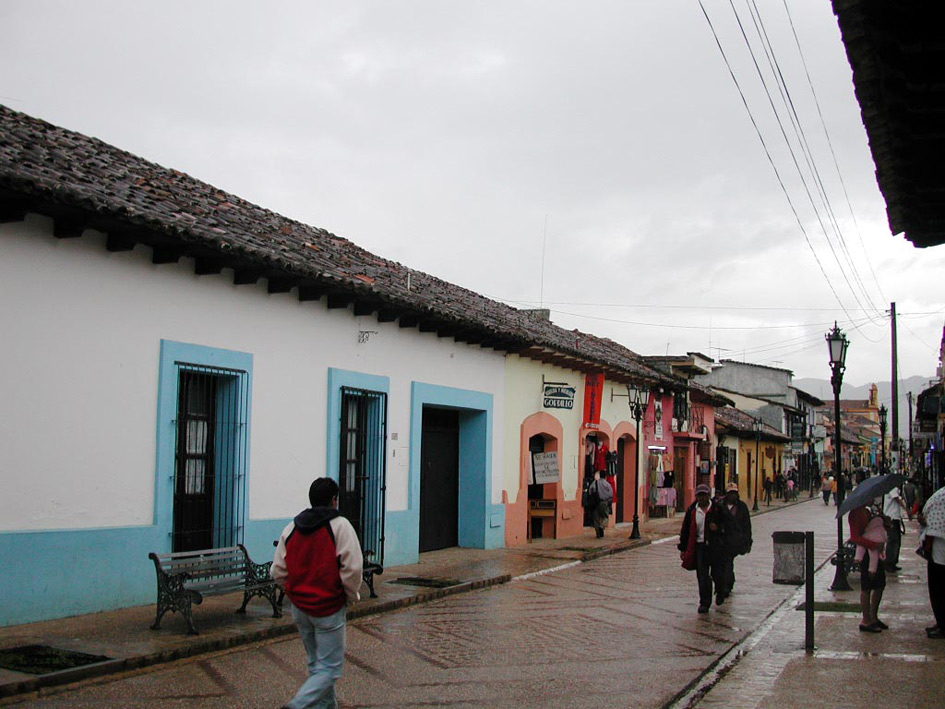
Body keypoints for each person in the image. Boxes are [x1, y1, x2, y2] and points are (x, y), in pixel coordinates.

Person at [272, 478, 364, 709]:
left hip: (300, 608)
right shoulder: (340, 526)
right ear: (334, 500)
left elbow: (278, 571)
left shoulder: (292, 527)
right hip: (328, 607)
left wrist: (292, 592)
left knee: (316, 665)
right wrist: (351, 595)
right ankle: (297, 705)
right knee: (330, 669)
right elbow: (352, 568)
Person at [678, 484, 730, 613]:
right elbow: (685, 530)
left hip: (716, 546)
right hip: (700, 547)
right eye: (699, 495)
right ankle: (704, 602)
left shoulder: (718, 509)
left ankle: (720, 592)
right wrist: (683, 549)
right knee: (702, 576)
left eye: (704, 495)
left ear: (708, 496)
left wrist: (718, 528)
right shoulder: (692, 511)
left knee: (718, 573)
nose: (702, 498)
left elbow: (728, 525)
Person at [848, 502, 887, 632]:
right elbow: (855, 537)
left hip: (875, 550)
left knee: (880, 585)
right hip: (867, 553)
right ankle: (866, 620)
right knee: (867, 587)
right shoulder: (855, 514)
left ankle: (874, 617)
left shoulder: (867, 512)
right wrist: (873, 545)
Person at [717, 482, 752, 600]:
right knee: (724, 563)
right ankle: (725, 584)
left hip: (734, 540)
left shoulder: (742, 507)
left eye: (734, 493)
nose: (732, 496)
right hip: (721, 540)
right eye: (730, 493)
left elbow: (747, 525)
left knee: (728, 562)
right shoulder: (720, 506)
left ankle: (727, 585)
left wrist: (748, 541)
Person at [882, 486, 906, 571]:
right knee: (893, 540)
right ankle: (889, 562)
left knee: (896, 540)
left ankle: (893, 561)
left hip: (895, 517)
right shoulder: (892, 488)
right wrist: (906, 509)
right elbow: (896, 499)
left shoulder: (892, 489)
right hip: (892, 517)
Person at [589, 471, 613, 538]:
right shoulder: (607, 484)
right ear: (605, 476)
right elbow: (611, 494)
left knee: (596, 518)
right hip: (604, 502)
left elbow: (590, 491)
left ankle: (598, 533)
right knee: (605, 516)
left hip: (596, 502)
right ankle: (602, 526)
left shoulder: (595, 482)